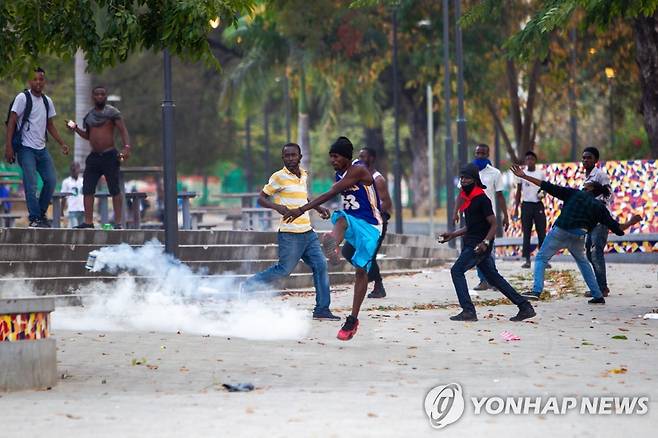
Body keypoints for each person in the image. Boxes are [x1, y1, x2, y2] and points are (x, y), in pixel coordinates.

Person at [283, 137, 383, 341]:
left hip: (371, 227)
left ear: (346, 156)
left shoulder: (358, 169)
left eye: (335, 157)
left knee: (361, 271)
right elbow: (336, 195)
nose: (332, 161)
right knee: (341, 218)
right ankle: (333, 245)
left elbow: (333, 192)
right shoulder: (340, 172)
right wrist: (318, 208)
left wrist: (302, 209)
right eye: (331, 157)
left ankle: (353, 319)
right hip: (352, 220)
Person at [510, 165, 642, 304]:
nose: (583, 185)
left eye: (586, 184)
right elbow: (618, 229)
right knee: (583, 262)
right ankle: (597, 295)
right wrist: (631, 222)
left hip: (561, 231)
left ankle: (536, 291)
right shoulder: (600, 208)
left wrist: (524, 176)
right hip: (579, 235)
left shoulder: (574, 193)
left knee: (541, 258)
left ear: (590, 188)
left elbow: (547, 186)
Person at [242, 143, 339, 321]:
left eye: (294, 155)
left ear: (300, 157)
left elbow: (304, 197)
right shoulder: (278, 177)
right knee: (284, 270)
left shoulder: (304, 175)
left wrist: (318, 208)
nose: (290, 158)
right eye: (287, 156)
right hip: (289, 233)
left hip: (308, 232)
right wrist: (277, 207)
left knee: (320, 265)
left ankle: (322, 309)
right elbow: (261, 198)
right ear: (283, 158)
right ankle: (249, 285)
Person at [439, 164, 535, 322]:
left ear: (475, 180)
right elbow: (472, 225)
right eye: (462, 178)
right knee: (494, 278)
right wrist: (453, 234)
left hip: (478, 245)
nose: (463, 181)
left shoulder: (482, 199)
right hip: (474, 241)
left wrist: (485, 242)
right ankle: (525, 307)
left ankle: (468, 311)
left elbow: (494, 224)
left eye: (467, 178)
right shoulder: (468, 198)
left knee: (456, 271)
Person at [4, 67, 70, 227]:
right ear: (30, 81)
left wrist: (62, 143)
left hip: (42, 149)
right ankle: (34, 218)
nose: (38, 82)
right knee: (31, 182)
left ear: (44, 81)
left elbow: (50, 125)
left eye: (41, 79)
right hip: (25, 148)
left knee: (51, 180)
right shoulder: (22, 98)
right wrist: (8, 147)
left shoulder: (47, 101)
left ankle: (40, 214)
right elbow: (12, 121)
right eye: (35, 79)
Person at [67, 85, 131, 229]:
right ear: (93, 97)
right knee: (88, 188)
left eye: (103, 94)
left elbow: (123, 131)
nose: (100, 96)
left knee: (114, 189)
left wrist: (127, 148)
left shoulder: (113, 113)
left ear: (106, 96)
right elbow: (88, 136)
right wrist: (76, 128)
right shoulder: (89, 116)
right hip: (94, 157)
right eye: (97, 94)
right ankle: (88, 222)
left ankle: (118, 223)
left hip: (110, 155)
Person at [454, 144, 510, 291]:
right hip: (471, 216)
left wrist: (506, 215)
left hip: (488, 217)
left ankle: (492, 279)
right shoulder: (468, 172)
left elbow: (500, 196)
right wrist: (456, 212)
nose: (479, 156)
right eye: (477, 153)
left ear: (488, 154)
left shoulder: (495, 173)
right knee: (478, 250)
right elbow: (461, 195)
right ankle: (486, 280)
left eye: (483, 153)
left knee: (486, 250)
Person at [341, 147, 392, 299]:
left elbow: (387, 202)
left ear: (372, 158)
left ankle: (376, 285)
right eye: (359, 156)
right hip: (359, 223)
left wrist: (373, 212)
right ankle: (373, 279)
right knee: (347, 252)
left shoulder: (378, 179)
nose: (361, 158)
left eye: (364, 156)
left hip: (376, 223)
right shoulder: (357, 175)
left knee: (369, 255)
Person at [581, 147, 613, 297]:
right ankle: (598, 286)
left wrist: (597, 190)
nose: (586, 160)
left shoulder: (600, 175)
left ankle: (602, 288)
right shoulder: (586, 177)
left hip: (601, 219)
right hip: (590, 220)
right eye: (584, 158)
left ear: (596, 160)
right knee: (588, 252)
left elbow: (609, 196)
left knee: (596, 251)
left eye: (589, 158)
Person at [512, 151, 547, 269]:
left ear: (535, 160)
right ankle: (527, 260)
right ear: (525, 161)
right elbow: (518, 192)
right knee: (526, 233)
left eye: (532, 159)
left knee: (541, 232)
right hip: (526, 205)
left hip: (538, 205)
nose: (530, 161)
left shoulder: (540, 174)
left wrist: (543, 194)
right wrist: (516, 208)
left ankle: (543, 260)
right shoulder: (521, 173)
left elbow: (545, 189)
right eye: (527, 159)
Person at [60, 162, 85, 227]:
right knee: (74, 228)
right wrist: (61, 210)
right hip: (72, 209)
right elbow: (63, 197)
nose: (75, 171)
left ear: (79, 169)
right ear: (71, 170)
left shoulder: (83, 180)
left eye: (77, 168)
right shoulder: (66, 182)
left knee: (83, 229)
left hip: (82, 209)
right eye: (73, 169)